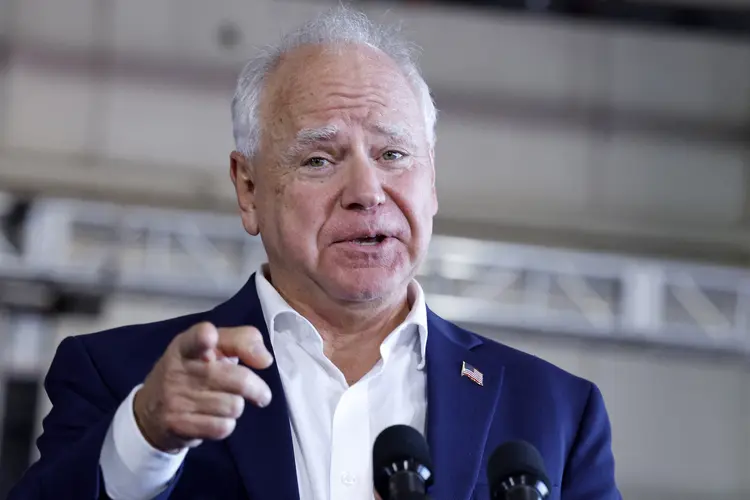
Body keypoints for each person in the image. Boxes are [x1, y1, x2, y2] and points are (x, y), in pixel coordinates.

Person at [9, 6, 620, 500]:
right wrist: (145, 437)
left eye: (393, 155)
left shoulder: (556, 412)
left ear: (433, 183)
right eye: (320, 159)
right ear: (248, 188)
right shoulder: (120, 379)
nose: (365, 192)